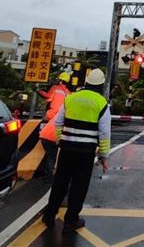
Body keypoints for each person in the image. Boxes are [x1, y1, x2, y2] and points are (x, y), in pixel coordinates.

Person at [42, 69, 111, 232]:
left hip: (67, 148)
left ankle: (49, 215)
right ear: (101, 85)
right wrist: (103, 155)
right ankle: (71, 221)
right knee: (79, 186)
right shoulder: (101, 103)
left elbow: (58, 122)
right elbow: (105, 132)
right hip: (85, 152)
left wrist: (60, 140)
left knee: (60, 182)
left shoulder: (71, 98)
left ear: (86, 82)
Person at [38, 72, 73, 181]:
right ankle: (52, 174)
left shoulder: (55, 88)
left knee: (50, 154)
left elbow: (48, 98)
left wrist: (39, 91)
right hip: (62, 119)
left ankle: (48, 174)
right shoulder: (69, 93)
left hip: (52, 118)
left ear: (60, 80)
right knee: (53, 154)